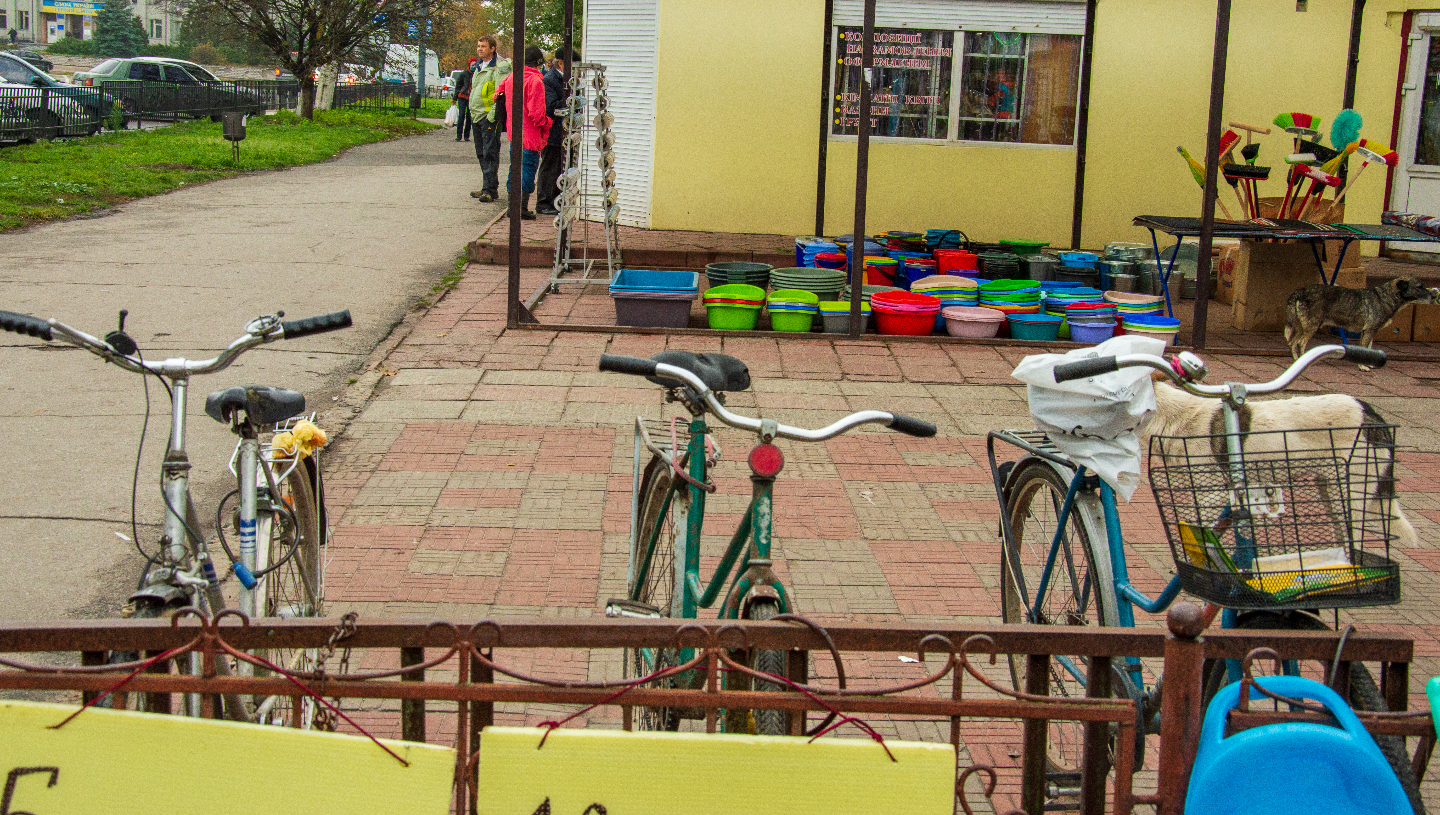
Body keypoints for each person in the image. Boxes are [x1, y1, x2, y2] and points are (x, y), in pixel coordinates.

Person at [493, 45, 551, 220]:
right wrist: (548, 122)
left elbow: (498, 94)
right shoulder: (535, 81)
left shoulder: (512, 77)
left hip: (514, 132)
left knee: (515, 167)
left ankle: (513, 205)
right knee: (528, 169)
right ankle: (522, 207)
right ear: (538, 63)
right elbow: (537, 114)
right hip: (531, 135)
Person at [535, 48, 579, 216]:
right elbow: (551, 106)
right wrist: (570, 99)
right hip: (553, 131)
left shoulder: (565, 79)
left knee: (559, 167)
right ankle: (544, 201)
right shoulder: (550, 80)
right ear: (561, 63)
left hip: (563, 131)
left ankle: (554, 199)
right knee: (550, 166)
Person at [468, 36, 510, 203]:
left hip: (488, 116)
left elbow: (501, 92)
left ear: (492, 48)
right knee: (481, 153)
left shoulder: (499, 66)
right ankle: (488, 186)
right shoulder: (478, 66)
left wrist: (493, 115)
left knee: (490, 152)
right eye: (478, 46)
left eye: (483, 46)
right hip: (476, 114)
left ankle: (490, 190)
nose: (479, 49)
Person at [453, 57, 475, 142]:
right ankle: (459, 135)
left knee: (469, 117)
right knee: (461, 115)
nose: (474, 66)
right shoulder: (463, 74)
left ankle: (466, 136)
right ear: (469, 65)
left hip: (471, 98)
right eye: (472, 65)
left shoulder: (476, 74)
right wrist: (455, 98)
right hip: (462, 97)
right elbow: (458, 86)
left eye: (475, 65)